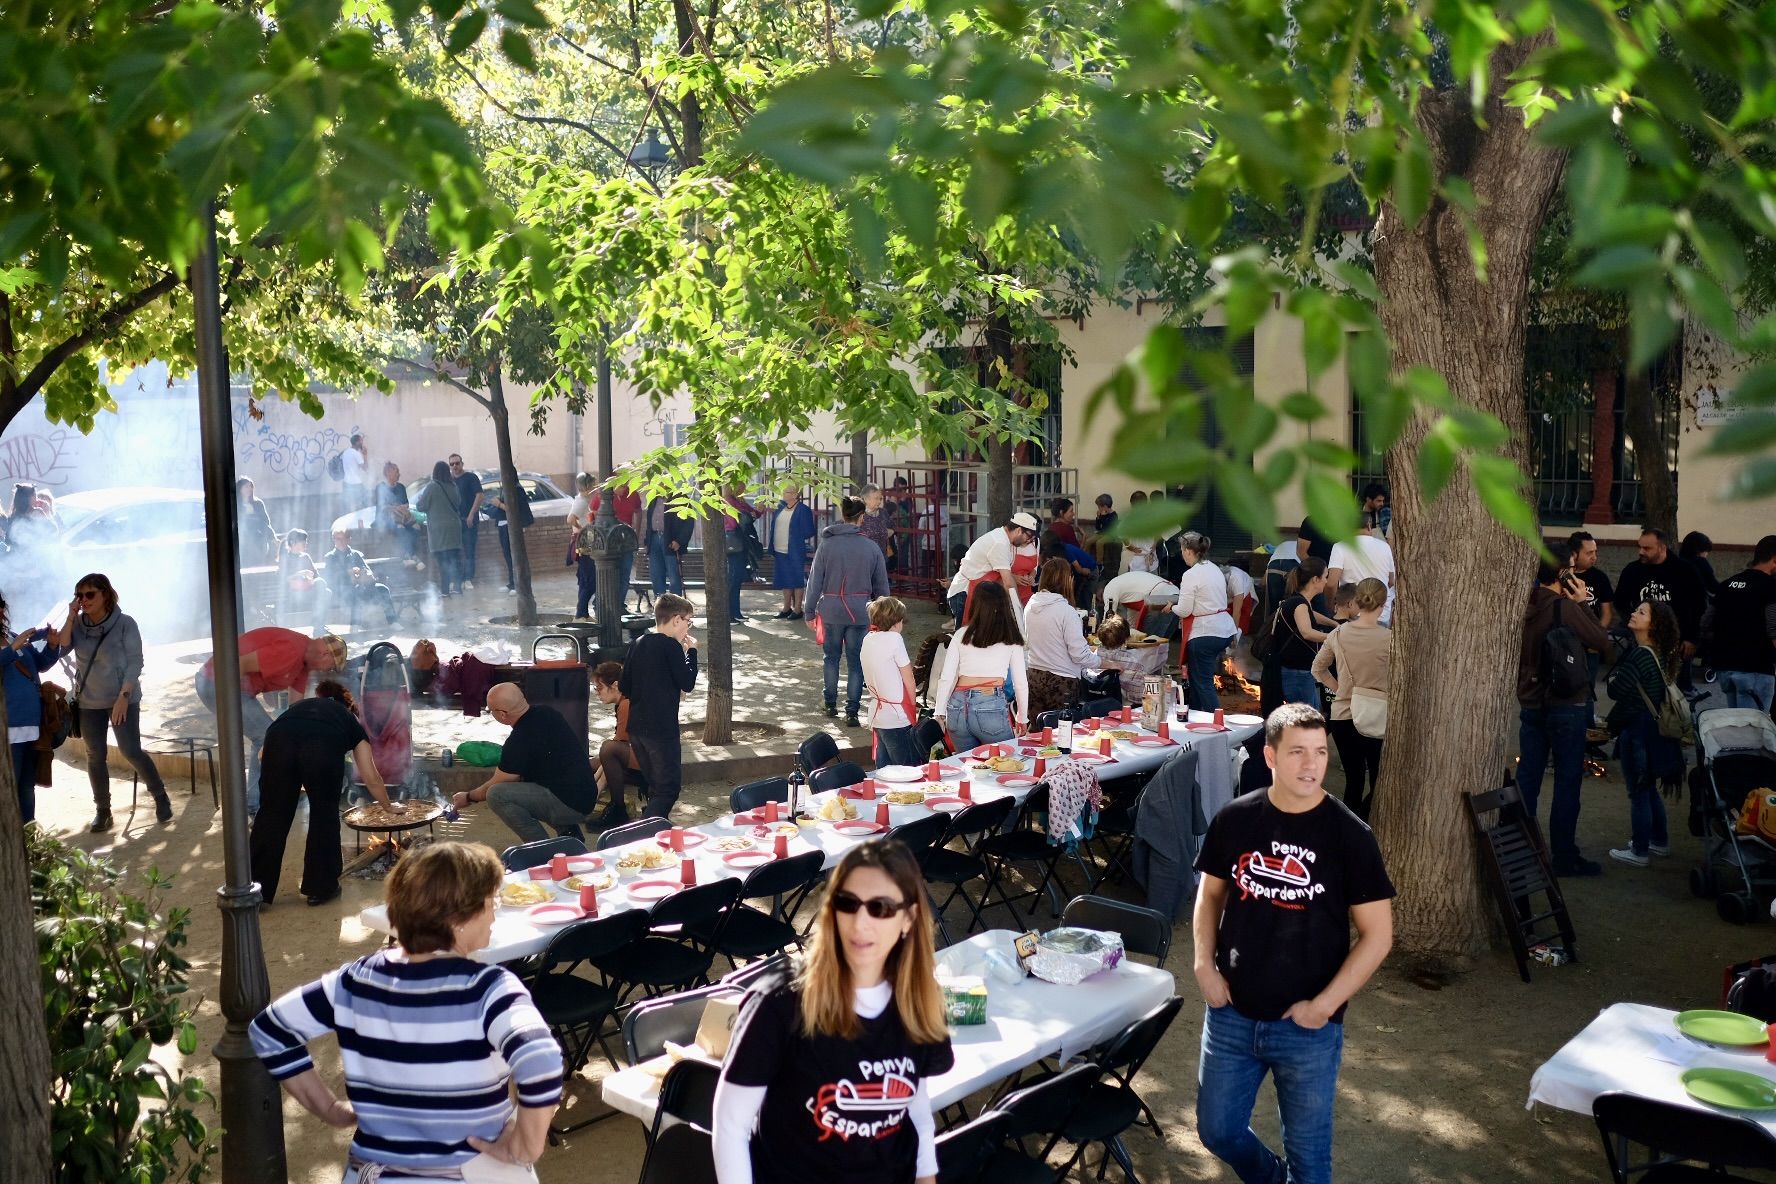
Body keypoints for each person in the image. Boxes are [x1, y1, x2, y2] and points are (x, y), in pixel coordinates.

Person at [251, 842, 563, 1181]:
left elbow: (270, 1031)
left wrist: (328, 1109)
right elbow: (541, 1060)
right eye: (491, 902)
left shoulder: (352, 982)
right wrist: (524, 1147)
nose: (494, 913)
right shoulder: (490, 991)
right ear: (458, 919)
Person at [1193, 702, 1395, 1184]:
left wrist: (1324, 1006)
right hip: (1231, 1014)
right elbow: (1210, 896)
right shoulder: (1236, 819)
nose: (1311, 764)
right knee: (1217, 1132)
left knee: (1310, 1161)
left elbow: (1378, 936)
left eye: (1320, 752)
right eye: (1298, 752)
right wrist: (1203, 963)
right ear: (1270, 756)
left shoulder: (1351, 836)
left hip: (1308, 1028)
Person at [714, 839, 952, 1184]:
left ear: (908, 918)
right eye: (847, 903)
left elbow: (915, 1104)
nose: (860, 923)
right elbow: (730, 1126)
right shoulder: (780, 1004)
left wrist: (926, 1177)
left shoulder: (919, 1000)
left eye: (881, 907)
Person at [250, 680, 397, 906]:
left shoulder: (298, 709)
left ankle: (256, 891)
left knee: (271, 815)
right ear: (349, 707)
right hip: (322, 747)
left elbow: (262, 755)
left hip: (278, 738)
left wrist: (292, 776)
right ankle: (320, 888)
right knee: (324, 814)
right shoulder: (350, 720)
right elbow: (371, 776)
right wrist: (388, 805)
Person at [45, 574, 173, 831]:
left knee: (130, 750)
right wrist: (71, 615)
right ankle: (103, 811)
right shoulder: (78, 624)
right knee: (95, 755)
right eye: (79, 595)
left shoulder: (125, 623)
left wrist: (123, 697)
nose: (84, 600)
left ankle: (160, 796)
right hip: (89, 701)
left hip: (121, 698)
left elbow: (135, 661)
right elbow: (63, 646)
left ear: (106, 594)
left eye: (90, 594)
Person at [1516, 554, 1612, 877]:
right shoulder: (1564, 607)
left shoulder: (1523, 604)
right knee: (1567, 781)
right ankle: (1564, 854)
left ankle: (1519, 847)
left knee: (1528, 777)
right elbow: (1601, 641)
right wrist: (1583, 603)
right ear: (1562, 574)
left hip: (1530, 700)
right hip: (1565, 703)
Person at [196, 628, 348, 815]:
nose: (327, 671)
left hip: (229, 686)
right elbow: (238, 664)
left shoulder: (303, 662)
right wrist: (241, 700)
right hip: (215, 681)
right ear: (325, 654)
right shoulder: (292, 651)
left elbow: (295, 708)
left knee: (276, 735)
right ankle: (253, 806)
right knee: (266, 736)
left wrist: (304, 733)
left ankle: (270, 795)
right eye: (331, 666)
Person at [451, 683, 597, 843]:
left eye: (491, 710)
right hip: (586, 794)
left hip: (571, 804)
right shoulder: (547, 713)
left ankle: (540, 850)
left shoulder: (518, 740)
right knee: (529, 783)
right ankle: (569, 834)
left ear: (502, 714)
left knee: (497, 795)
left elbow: (497, 783)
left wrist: (469, 796)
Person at [1606, 600, 1684, 868]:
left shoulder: (1641, 655)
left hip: (1638, 730)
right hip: (1655, 730)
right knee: (1648, 788)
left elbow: (1616, 691)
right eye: (1636, 609)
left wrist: (1618, 682)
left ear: (1654, 624)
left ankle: (1639, 850)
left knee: (1638, 790)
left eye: (1641, 612)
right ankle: (1659, 841)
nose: (1633, 613)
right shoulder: (1660, 653)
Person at [805, 497, 890, 727]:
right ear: (861, 517)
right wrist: (885, 616)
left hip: (831, 610)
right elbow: (882, 587)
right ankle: (852, 710)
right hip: (861, 611)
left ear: (843, 515)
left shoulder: (826, 545)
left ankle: (830, 703)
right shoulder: (871, 547)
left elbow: (815, 582)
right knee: (856, 662)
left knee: (830, 658)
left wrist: (809, 611)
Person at [1311, 578, 1391, 821]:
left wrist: (1341, 689)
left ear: (1357, 601)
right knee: (1380, 781)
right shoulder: (1390, 638)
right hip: (1378, 715)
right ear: (1383, 603)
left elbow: (1318, 669)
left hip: (1343, 715)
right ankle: (1364, 826)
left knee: (1353, 782)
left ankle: (1349, 834)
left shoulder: (1338, 633)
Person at [620, 593, 699, 819]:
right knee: (668, 789)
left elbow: (625, 686)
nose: (688, 627)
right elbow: (687, 682)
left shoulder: (637, 643)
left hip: (637, 728)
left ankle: (655, 832)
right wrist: (691, 652)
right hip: (661, 730)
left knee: (654, 785)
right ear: (676, 619)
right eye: (688, 621)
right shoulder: (670, 646)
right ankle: (644, 832)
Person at [933, 580, 1028, 751]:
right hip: (990, 704)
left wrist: (939, 713)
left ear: (975, 604)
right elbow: (1020, 683)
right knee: (1006, 763)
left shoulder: (961, 634)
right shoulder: (1011, 637)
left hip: (957, 708)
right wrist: (1022, 718)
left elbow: (946, 677)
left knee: (967, 767)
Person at [1613, 527, 1706, 680]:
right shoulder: (1633, 570)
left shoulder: (1685, 570)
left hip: (1678, 640)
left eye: (1647, 548)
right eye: (1640, 547)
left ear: (1662, 547)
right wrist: (1634, 623)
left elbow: (1699, 606)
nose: (1641, 552)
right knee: (1645, 684)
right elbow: (1620, 601)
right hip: (1643, 640)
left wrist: (1692, 637)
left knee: (1676, 689)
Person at [4, 592, 63, 826]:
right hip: (7, 730)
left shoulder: (11, 635)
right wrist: (11, 649)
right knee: (8, 788)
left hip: (32, 725)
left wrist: (51, 645)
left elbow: (41, 665)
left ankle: (29, 841)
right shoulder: (14, 641)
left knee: (27, 785)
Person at [1701, 535, 1776, 712]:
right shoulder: (1771, 588)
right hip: (1755, 670)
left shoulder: (1728, 584)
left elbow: (1705, 623)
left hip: (1725, 669)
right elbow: (1774, 631)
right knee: (1752, 732)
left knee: (1737, 728)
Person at [1025, 557, 1101, 717]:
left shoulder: (1030, 606)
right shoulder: (1066, 611)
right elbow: (1079, 655)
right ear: (1068, 579)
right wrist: (1103, 662)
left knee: (1038, 735)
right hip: (1061, 681)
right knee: (1061, 734)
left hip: (1034, 676)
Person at [1172, 532, 1239, 712]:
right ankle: (1195, 717)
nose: (1181, 553)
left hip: (1205, 633)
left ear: (1188, 551)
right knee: (1196, 680)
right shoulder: (1214, 568)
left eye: (1181, 549)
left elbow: (1185, 609)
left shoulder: (1191, 574)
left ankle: (1216, 724)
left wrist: (1171, 607)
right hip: (1223, 629)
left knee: (1203, 683)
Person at [861, 596, 924, 767]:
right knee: (907, 767)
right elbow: (909, 679)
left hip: (878, 712)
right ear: (896, 622)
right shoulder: (894, 639)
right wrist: (912, 708)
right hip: (896, 714)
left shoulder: (868, 638)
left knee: (884, 767)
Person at [944, 512, 1040, 624]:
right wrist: (1019, 609)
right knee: (964, 637)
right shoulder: (1000, 542)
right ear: (1018, 530)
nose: (1028, 541)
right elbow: (1008, 582)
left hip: (979, 592)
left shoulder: (1004, 538)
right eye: (1028, 536)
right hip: (964, 592)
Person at [1274, 558, 1334, 707]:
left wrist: (1334, 623)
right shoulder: (1299, 603)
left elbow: (1311, 614)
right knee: (1308, 720)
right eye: (1325, 576)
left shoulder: (1299, 601)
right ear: (1315, 579)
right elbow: (1307, 633)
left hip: (1299, 671)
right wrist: (1335, 637)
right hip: (1298, 673)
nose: (1326, 581)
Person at [590, 660, 641, 826]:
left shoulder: (626, 704)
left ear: (616, 685)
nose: (598, 693)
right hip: (634, 755)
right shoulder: (623, 702)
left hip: (646, 761)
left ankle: (617, 807)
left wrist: (596, 785)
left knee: (608, 749)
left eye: (599, 688)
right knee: (594, 762)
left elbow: (617, 747)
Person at [320, 529, 396, 627]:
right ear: (333, 540)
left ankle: (393, 621)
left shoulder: (356, 554)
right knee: (356, 591)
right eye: (338, 539)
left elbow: (367, 569)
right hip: (342, 590)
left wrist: (362, 571)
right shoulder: (330, 556)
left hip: (362, 585)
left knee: (383, 589)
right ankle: (355, 624)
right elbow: (330, 577)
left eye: (344, 538)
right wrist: (348, 572)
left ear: (349, 539)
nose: (341, 541)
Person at [1325, 522, 1395, 625]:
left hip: (1352, 612)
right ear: (1369, 526)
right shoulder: (1385, 547)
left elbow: (1331, 583)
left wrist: (1330, 606)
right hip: (1381, 613)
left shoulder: (1340, 546)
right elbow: (1391, 581)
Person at [414, 459, 465, 597]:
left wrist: (420, 500)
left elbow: (421, 506)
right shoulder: (453, 486)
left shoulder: (432, 487)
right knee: (454, 560)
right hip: (454, 528)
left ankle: (445, 591)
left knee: (443, 562)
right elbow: (458, 503)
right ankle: (458, 587)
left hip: (439, 531)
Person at [766, 485, 817, 619]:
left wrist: (796, 535)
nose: (783, 494)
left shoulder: (803, 510)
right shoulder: (780, 509)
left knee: (796, 579)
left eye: (787, 492)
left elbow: (810, 531)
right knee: (784, 579)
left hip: (794, 549)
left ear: (795, 495)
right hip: (779, 549)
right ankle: (786, 608)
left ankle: (798, 610)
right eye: (783, 491)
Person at [485, 479, 534, 592]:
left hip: (511, 526)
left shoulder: (517, 490)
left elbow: (514, 510)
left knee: (514, 556)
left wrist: (499, 504)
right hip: (503, 525)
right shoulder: (507, 488)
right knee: (508, 556)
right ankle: (512, 583)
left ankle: (518, 585)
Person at [1090, 613, 1148, 709]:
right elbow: (1139, 697)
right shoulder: (1133, 663)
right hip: (1119, 709)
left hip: (1093, 704)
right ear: (1126, 639)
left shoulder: (1091, 657)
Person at [724, 486, 764, 623]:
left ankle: (736, 612)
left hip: (740, 541)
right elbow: (736, 521)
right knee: (734, 578)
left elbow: (752, 514)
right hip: (734, 541)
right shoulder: (728, 500)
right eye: (741, 486)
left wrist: (757, 512)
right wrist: (752, 514)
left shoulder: (739, 501)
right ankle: (729, 614)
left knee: (737, 578)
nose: (744, 489)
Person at [374, 462, 424, 564]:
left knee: (416, 527)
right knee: (401, 528)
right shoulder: (381, 487)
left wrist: (402, 507)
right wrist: (395, 508)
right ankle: (409, 556)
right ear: (388, 473)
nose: (399, 474)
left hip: (402, 516)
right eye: (396, 471)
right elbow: (381, 507)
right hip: (387, 519)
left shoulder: (401, 487)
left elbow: (407, 504)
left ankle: (412, 554)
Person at [1100, 567, 1180, 632]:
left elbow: (1108, 618)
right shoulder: (1126, 590)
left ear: (1100, 590)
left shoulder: (1110, 588)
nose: (1101, 600)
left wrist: (1101, 636)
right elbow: (1132, 618)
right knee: (1162, 640)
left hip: (1160, 596)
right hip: (1175, 594)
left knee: (1149, 638)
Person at [645, 493, 693, 596]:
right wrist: (647, 541)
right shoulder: (653, 498)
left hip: (670, 541)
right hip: (653, 539)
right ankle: (660, 604)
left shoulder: (680, 498)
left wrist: (679, 540)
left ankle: (675, 605)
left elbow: (689, 523)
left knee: (674, 576)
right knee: (656, 574)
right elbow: (649, 521)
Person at [448, 453, 484, 590]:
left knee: (469, 551)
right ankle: (457, 579)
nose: (455, 466)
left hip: (469, 521)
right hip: (454, 523)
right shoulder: (449, 481)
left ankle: (468, 579)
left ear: (462, 463)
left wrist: (471, 514)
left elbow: (479, 496)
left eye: (457, 463)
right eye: (452, 464)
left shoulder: (471, 478)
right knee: (455, 552)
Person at [278, 529, 328, 624]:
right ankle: (318, 621)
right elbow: (284, 579)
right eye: (303, 541)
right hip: (294, 593)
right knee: (325, 593)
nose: (306, 543)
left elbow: (317, 576)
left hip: (308, 589)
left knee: (324, 588)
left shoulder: (306, 557)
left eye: (306, 541)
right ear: (293, 542)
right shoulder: (285, 558)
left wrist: (310, 577)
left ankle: (318, 622)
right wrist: (301, 573)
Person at [568, 471, 599, 619]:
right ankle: (581, 613)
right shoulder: (581, 502)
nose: (595, 488)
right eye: (593, 485)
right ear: (587, 487)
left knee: (585, 579)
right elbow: (570, 519)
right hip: (585, 543)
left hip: (587, 542)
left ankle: (583, 614)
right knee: (590, 580)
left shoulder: (583, 500)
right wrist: (581, 529)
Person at [237, 477, 279, 566]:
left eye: (251, 486)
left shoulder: (258, 503)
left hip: (258, 538)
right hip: (244, 539)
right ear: (240, 489)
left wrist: (270, 535)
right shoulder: (236, 504)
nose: (249, 489)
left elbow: (265, 521)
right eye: (246, 487)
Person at [858, 483, 893, 566]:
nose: (879, 501)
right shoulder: (858, 514)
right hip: (864, 559)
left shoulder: (883, 512)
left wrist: (889, 532)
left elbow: (892, 527)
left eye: (880, 498)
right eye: (876, 498)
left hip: (882, 557)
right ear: (866, 499)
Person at [1679, 530, 1720, 599]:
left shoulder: (1677, 561)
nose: (1706, 555)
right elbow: (1713, 587)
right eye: (1706, 551)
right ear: (1699, 550)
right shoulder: (1700, 563)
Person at [339, 431, 369, 510]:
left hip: (346, 483)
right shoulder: (356, 454)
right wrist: (365, 455)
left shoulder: (346, 452)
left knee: (349, 507)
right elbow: (365, 468)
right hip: (356, 484)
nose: (362, 443)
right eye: (361, 441)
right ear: (356, 442)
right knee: (363, 505)